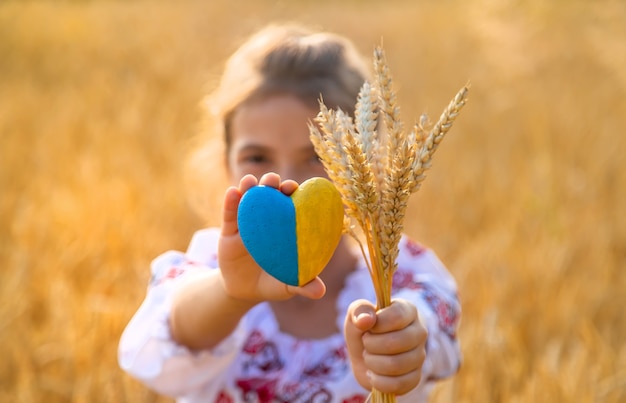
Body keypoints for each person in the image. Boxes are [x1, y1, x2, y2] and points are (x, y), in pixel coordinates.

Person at [118, 23, 461, 402]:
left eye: (317, 156)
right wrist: (232, 293)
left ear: (368, 166)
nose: (286, 180)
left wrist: (399, 340)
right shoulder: (208, 268)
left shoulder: (404, 278)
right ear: (225, 159)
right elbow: (164, 340)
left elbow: (427, 332)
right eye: (257, 156)